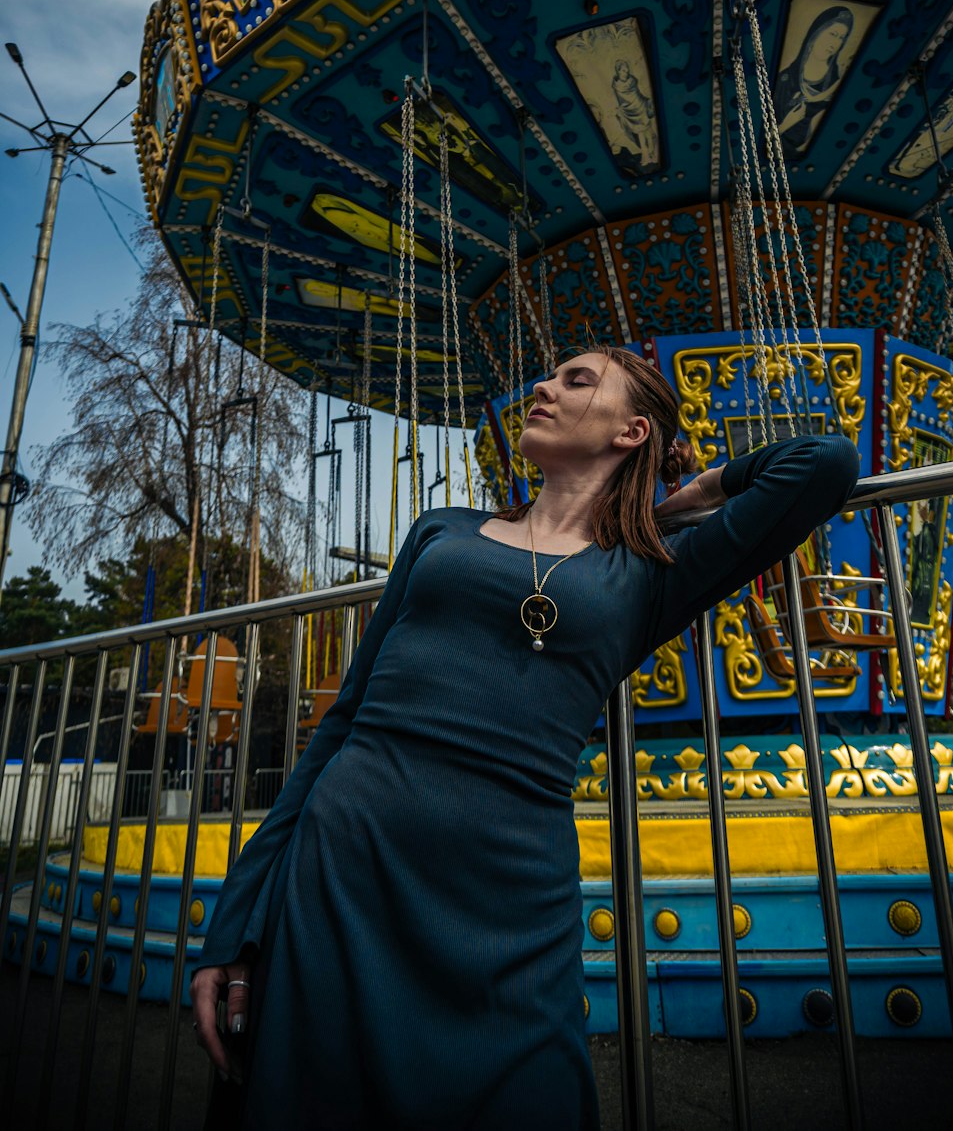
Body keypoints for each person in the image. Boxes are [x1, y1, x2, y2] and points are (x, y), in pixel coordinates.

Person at [190, 347, 858, 1129]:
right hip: (347, 862)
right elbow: (341, 722)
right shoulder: (441, 531)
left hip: (506, 897)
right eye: (552, 375)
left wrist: (684, 498)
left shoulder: (650, 571)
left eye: (578, 381)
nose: (544, 387)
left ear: (633, 430)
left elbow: (824, 463)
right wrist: (237, 923)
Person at [773, 4, 855, 156]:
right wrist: (785, 125)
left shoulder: (837, 82)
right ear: (816, 32)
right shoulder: (786, 78)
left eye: (841, 38)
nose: (834, 44)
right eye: (832, 34)